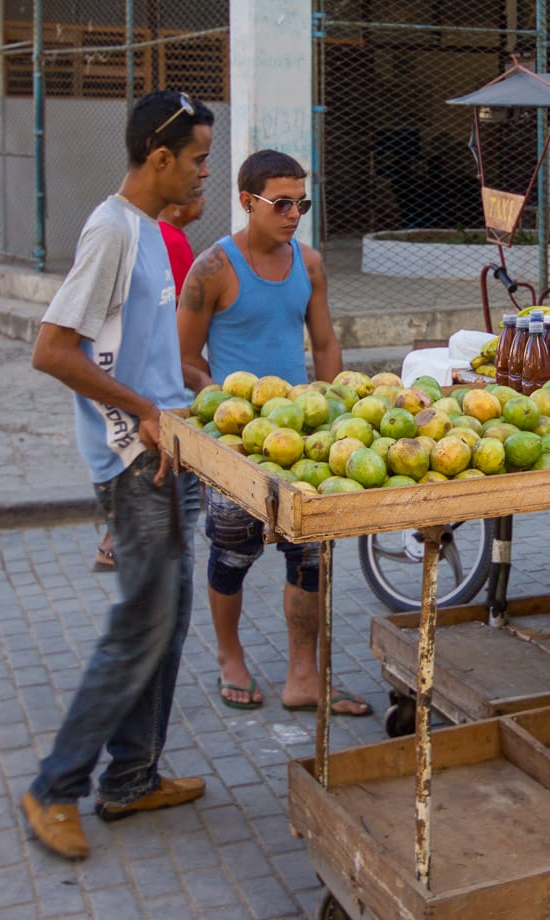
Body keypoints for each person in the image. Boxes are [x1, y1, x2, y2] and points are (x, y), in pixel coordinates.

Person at [23, 90, 213, 861]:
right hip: (135, 464)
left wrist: (187, 388)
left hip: (169, 453)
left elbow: (132, 336)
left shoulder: (145, 230)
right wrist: (143, 408)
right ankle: (53, 787)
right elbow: (53, 350)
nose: (206, 173)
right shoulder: (110, 232)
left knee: (166, 624)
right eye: (198, 161)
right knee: (139, 627)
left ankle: (131, 777)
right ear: (159, 159)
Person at [176, 150, 367, 716]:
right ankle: (230, 657)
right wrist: (223, 408)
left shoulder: (308, 263)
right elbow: (184, 360)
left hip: (304, 437)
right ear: (247, 202)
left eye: (301, 203)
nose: (293, 214)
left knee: (309, 557)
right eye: (281, 203)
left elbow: (326, 343)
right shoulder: (213, 268)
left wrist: (341, 419)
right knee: (231, 555)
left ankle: (302, 676)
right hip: (235, 442)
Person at [95, 190, 208, 573]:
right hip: (154, 425)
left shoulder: (152, 236)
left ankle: (115, 541)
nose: (203, 183)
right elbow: (171, 330)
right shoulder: (163, 239)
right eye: (197, 165)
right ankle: (115, 541)